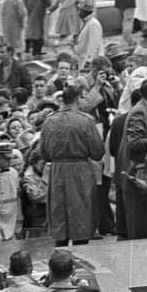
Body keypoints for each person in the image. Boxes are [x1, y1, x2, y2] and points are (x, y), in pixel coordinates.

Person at [39, 86, 105, 244]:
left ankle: (60, 258)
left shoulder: (49, 121)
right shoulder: (86, 120)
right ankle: (80, 259)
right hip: (80, 172)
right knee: (81, 214)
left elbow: (43, 153)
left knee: (58, 214)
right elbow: (98, 152)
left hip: (57, 171)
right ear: (77, 99)